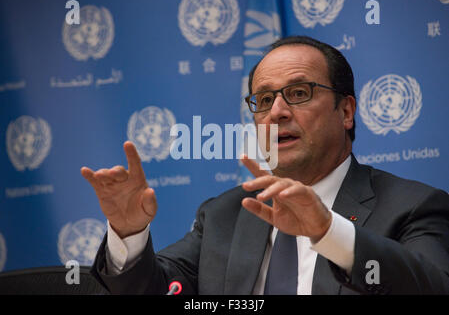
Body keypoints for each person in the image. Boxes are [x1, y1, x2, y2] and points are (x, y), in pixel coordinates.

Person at [81, 36, 449, 295]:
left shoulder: (413, 207)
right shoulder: (225, 214)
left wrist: (328, 231)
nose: (277, 112)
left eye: (299, 93)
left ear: (347, 111)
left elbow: (433, 287)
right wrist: (128, 233)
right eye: (264, 99)